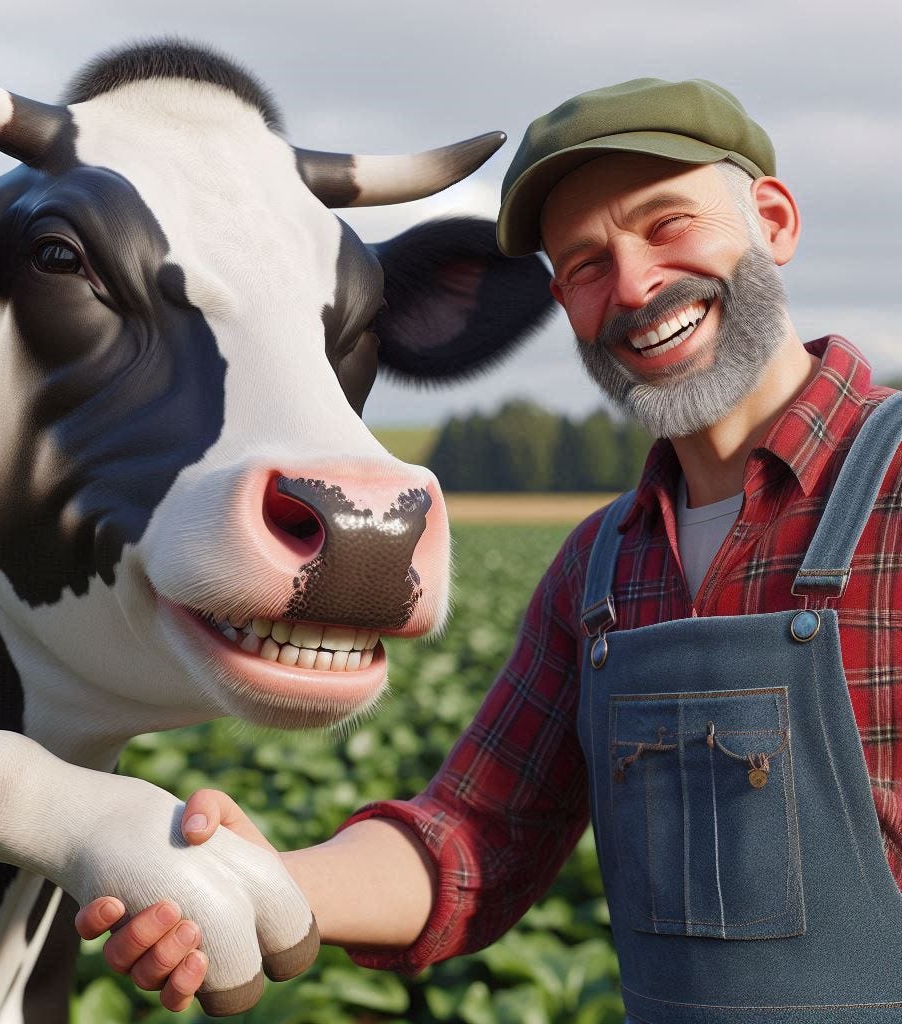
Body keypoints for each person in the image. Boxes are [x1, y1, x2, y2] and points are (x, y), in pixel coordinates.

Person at [78, 79, 902, 1019]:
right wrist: (260, 880)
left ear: (774, 219)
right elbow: (472, 839)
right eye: (587, 264)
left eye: (668, 223)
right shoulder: (599, 573)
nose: (633, 287)